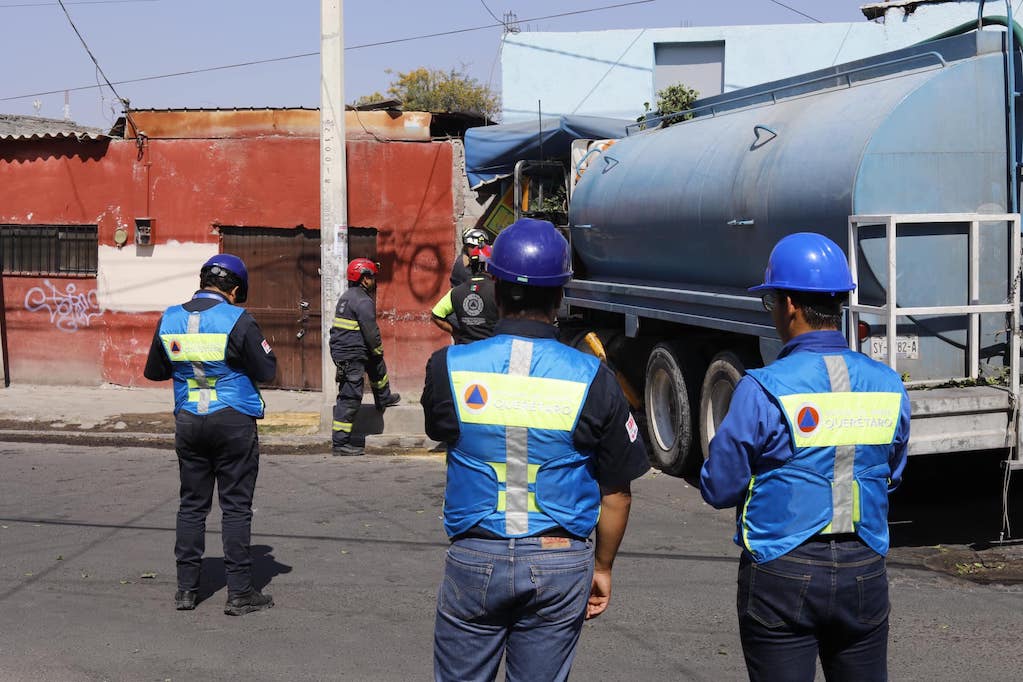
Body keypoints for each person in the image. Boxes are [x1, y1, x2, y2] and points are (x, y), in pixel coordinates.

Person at [421, 218, 650, 682]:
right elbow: (617, 493)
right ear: (561, 295)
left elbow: (442, 427)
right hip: (561, 560)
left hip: (475, 554)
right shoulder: (594, 377)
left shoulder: (448, 367)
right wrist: (602, 568)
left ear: (496, 289)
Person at [699, 232, 911, 681]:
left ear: (789, 304)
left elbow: (719, 487)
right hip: (864, 565)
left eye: (771, 301)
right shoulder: (889, 384)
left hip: (782, 566)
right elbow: (891, 471)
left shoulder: (761, 388)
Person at [144, 253, 277, 616]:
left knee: (192, 506)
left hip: (189, 419)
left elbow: (155, 371)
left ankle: (186, 591)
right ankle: (239, 594)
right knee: (235, 508)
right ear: (234, 290)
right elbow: (267, 369)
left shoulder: (170, 317)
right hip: (233, 420)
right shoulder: (238, 319)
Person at [329, 257, 400, 456]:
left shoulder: (347, 296)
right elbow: (371, 331)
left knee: (377, 366)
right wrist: (377, 348)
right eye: (372, 277)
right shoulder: (363, 300)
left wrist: (375, 354)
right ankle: (340, 443)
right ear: (363, 279)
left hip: (351, 349)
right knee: (350, 395)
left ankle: (383, 398)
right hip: (351, 354)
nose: (374, 280)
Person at [430, 244, 498, 344]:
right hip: (490, 348)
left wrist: (456, 333)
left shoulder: (455, 292)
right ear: (489, 265)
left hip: (464, 350)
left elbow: (436, 315)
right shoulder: (498, 291)